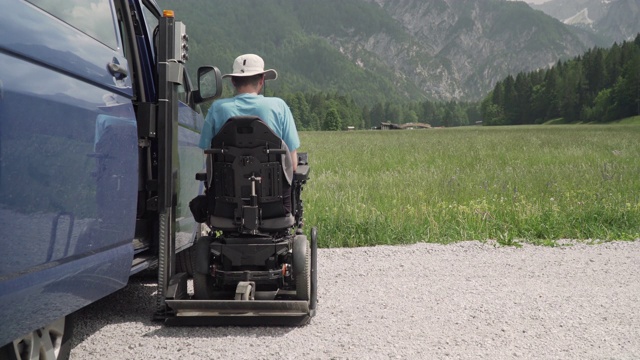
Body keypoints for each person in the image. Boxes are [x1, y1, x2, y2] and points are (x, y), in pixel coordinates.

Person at [199, 54, 300, 171]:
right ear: (262, 80)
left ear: (233, 81)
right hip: (273, 186)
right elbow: (292, 164)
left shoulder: (217, 108)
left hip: (225, 187)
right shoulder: (279, 106)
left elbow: (207, 158)